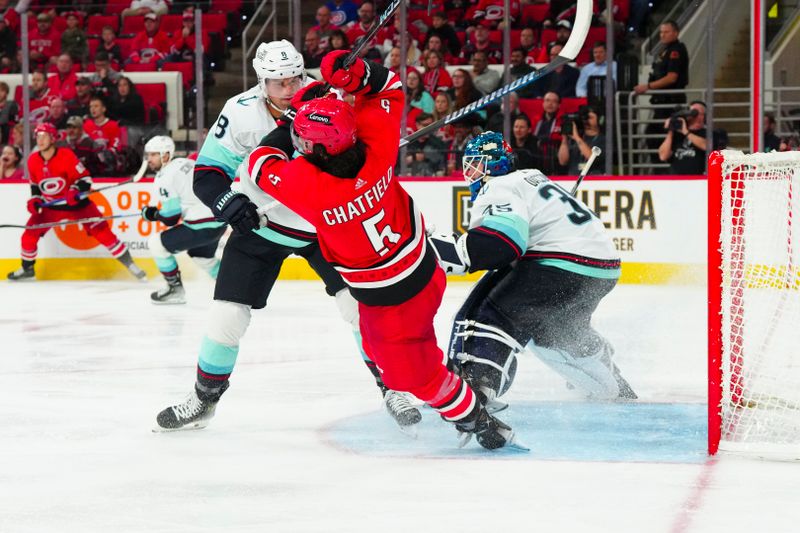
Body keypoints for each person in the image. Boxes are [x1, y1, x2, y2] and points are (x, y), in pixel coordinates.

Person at [245, 51, 518, 449]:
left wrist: (291, 116)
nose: (298, 142)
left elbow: (257, 164)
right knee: (376, 350)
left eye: (303, 139)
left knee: (411, 378)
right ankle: (449, 381)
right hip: (426, 272)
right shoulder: (377, 142)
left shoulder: (308, 186)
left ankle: (477, 418)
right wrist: (355, 75)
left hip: (393, 305)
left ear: (319, 150)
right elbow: (388, 85)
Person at [154, 41, 422, 434]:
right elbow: (207, 174)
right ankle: (203, 400)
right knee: (226, 318)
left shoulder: (332, 97)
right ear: (261, 81)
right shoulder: (239, 112)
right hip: (261, 228)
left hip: (326, 227)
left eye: (293, 77)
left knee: (359, 310)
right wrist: (228, 203)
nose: (287, 87)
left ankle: (393, 388)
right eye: (277, 81)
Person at [426, 131, 635, 414]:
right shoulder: (531, 178)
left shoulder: (498, 186)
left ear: (492, 165)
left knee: (490, 313)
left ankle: (476, 390)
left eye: (474, 164)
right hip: (602, 268)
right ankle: (608, 376)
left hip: (562, 263)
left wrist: (438, 250)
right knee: (554, 333)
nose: (469, 172)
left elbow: (503, 242)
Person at [6, 122, 146, 281]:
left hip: (77, 205)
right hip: (52, 207)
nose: (40, 140)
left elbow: (85, 178)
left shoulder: (66, 155)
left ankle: (131, 266)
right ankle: (27, 269)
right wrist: (36, 199)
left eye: (44, 136)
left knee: (104, 234)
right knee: (29, 234)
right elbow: (36, 185)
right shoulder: (32, 160)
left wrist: (75, 191)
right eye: (38, 136)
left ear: (53, 139)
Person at [140, 135, 226, 304]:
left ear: (165, 155)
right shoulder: (185, 163)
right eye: (148, 155)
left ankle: (175, 290)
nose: (149, 159)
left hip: (200, 226)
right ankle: (234, 286)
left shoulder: (164, 177)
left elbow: (171, 218)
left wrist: (152, 214)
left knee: (156, 244)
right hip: (218, 222)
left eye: (154, 155)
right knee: (203, 257)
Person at [633, 20, 689, 161]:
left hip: (670, 103)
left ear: (675, 33)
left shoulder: (676, 50)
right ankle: (661, 168)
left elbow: (671, 78)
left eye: (666, 32)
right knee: (654, 136)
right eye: (661, 32)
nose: (662, 35)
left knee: (657, 136)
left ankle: (664, 168)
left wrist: (648, 87)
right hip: (661, 103)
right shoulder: (666, 50)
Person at [657, 100, 709, 175]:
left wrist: (685, 132)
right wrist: (670, 131)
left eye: (695, 113)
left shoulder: (708, 133)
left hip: (698, 180)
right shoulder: (677, 134)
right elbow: (663, 156)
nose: (692, 114)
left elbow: (706, 146)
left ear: (703, 116)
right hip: (677, 180)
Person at [558, 105, 605, 175]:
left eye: (590, 117)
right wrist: (564, 139)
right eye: (585, 118)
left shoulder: (603, 139)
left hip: (594, 180)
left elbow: (591, 158)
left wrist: (577, 138)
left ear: (600, 119)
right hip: (573, 179)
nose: (586, 120)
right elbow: (562, 161)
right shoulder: (574, 139)